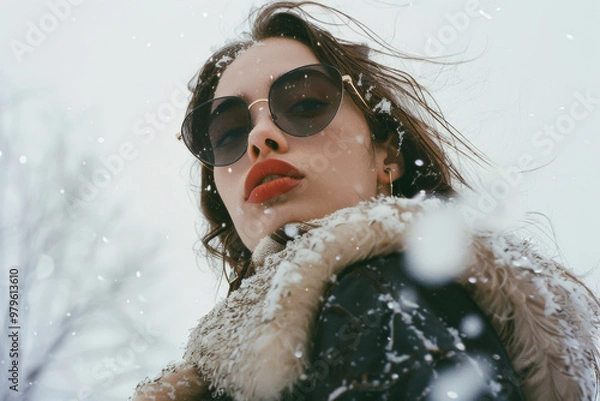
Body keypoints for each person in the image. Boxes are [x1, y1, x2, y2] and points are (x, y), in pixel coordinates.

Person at [132, 2, 599, 400]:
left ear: (387, 155)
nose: (260, 136)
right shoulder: (225, 369)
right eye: (228, 132)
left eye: (306, 103)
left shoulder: (375, 291)